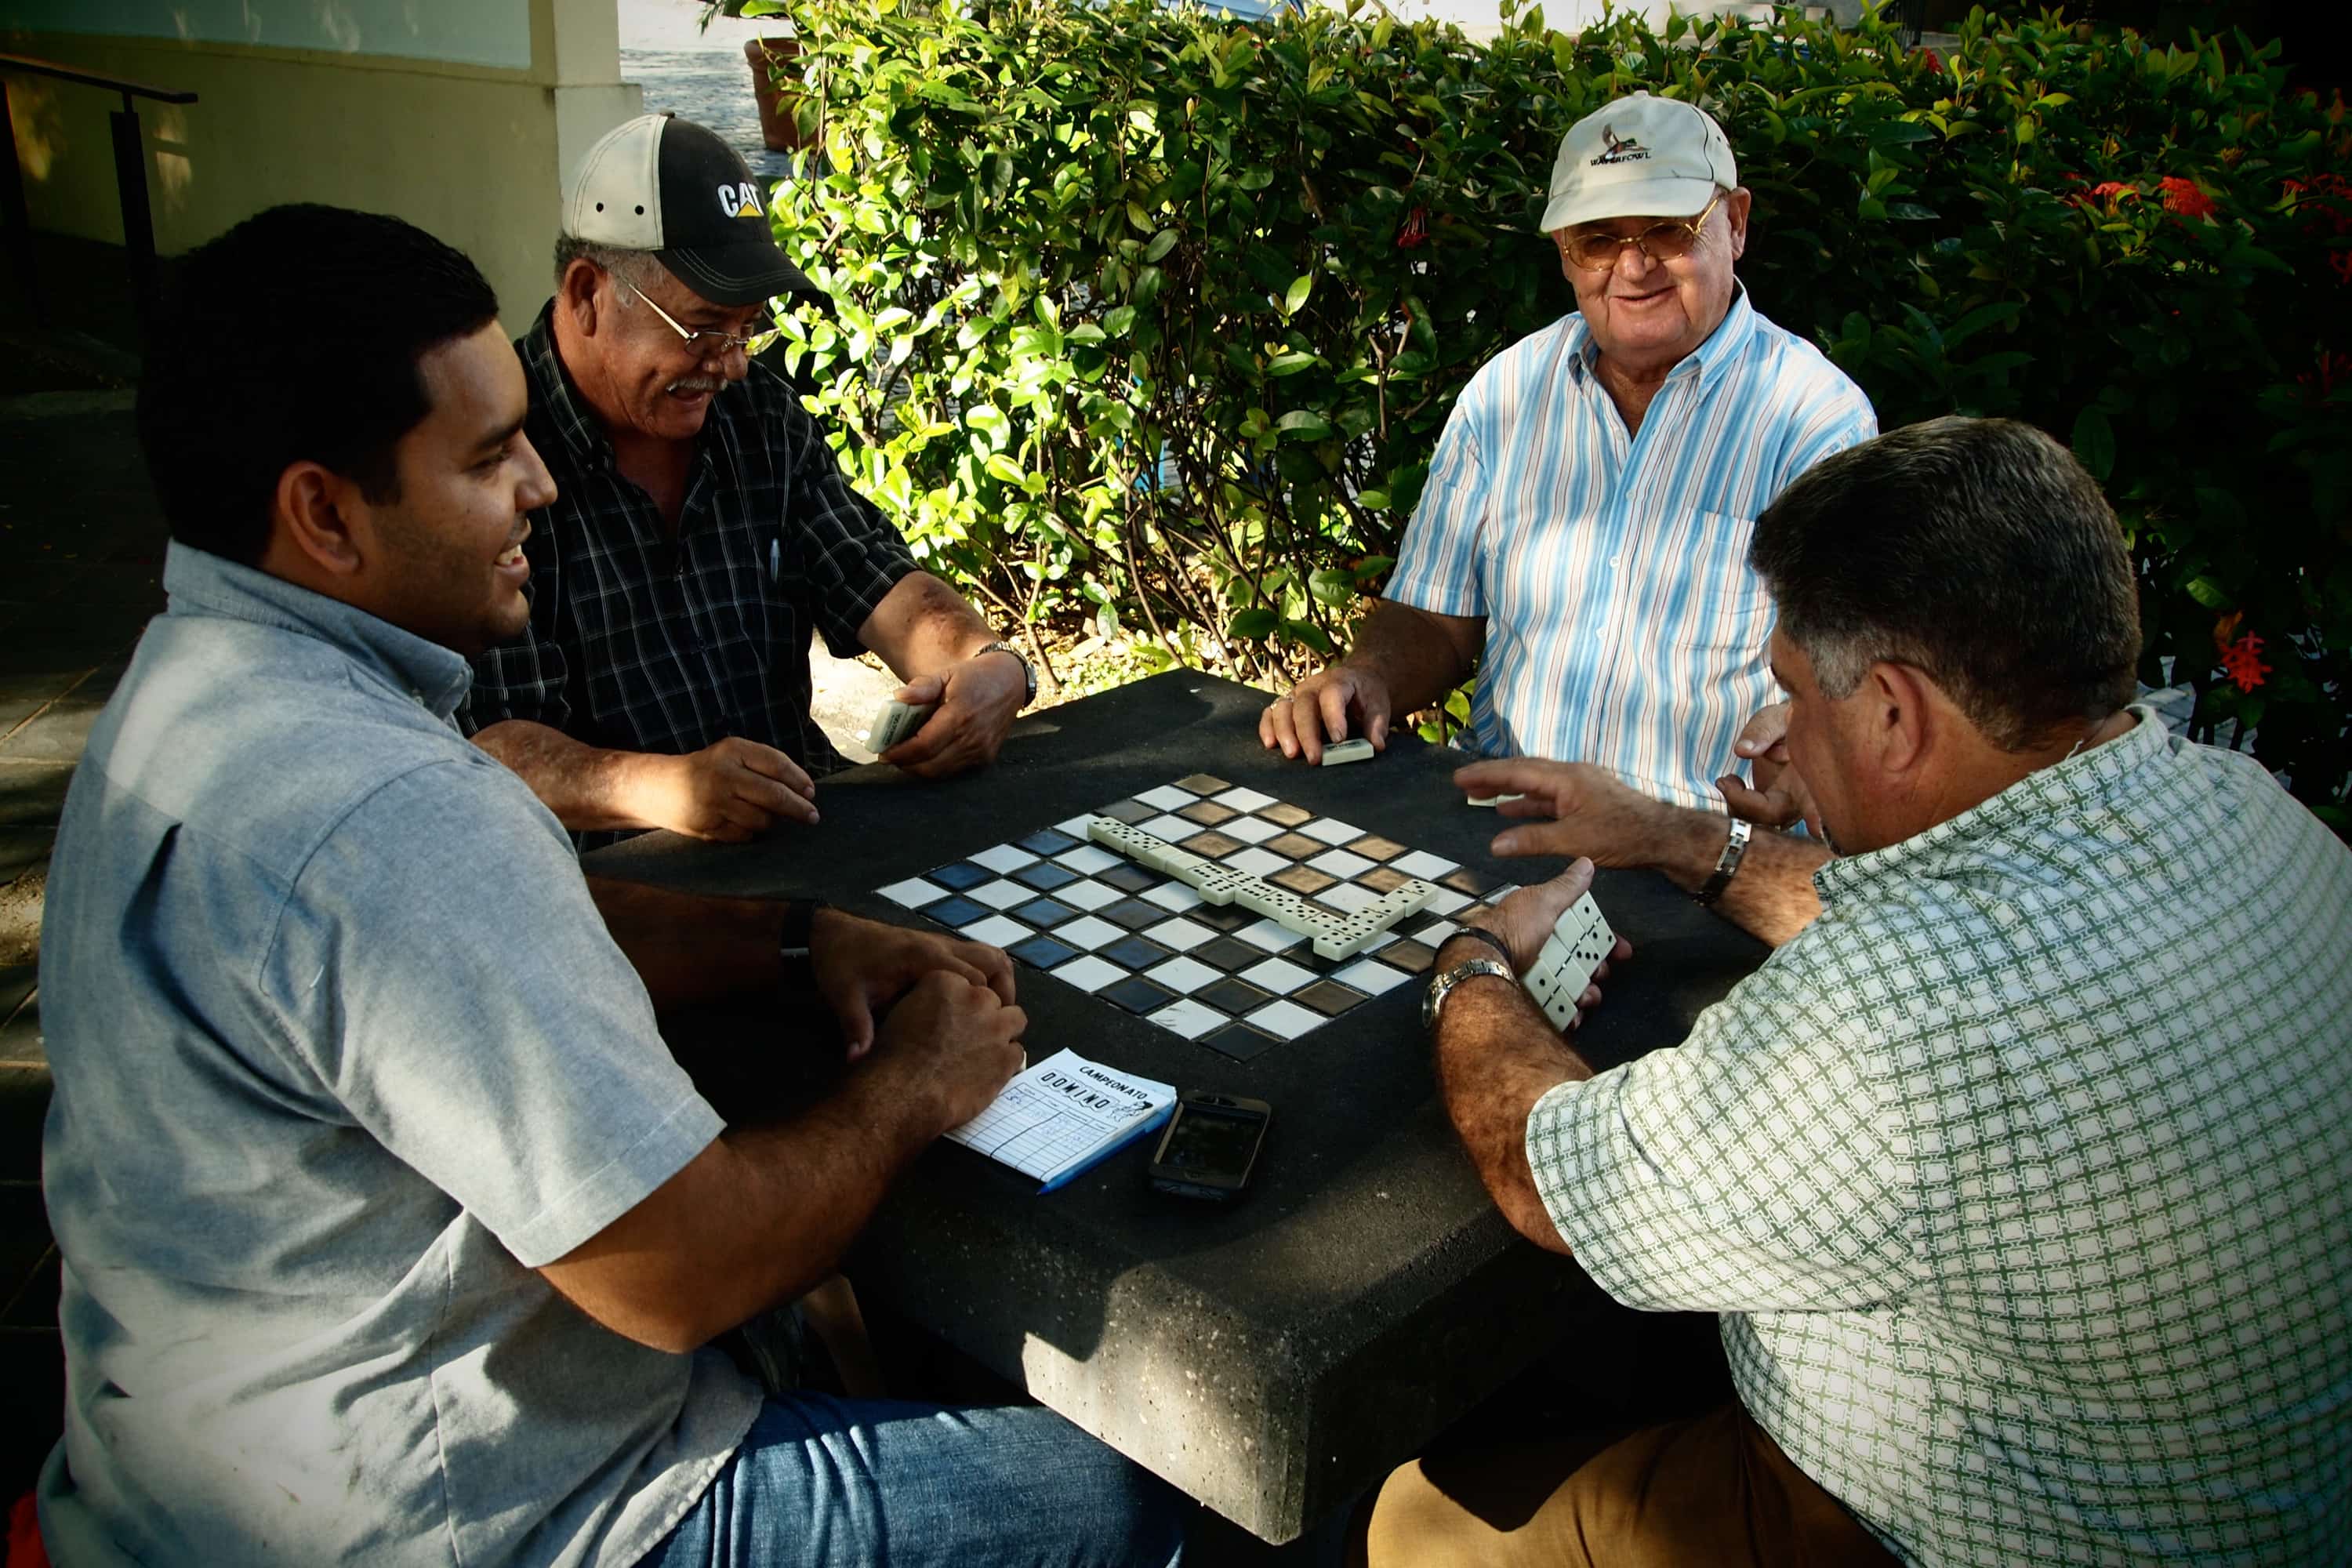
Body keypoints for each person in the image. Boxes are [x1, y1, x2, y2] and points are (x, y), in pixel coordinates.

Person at [34, 204, 1182, 1568]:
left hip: (209, 1459)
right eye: (486, 456)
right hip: (484, 1516)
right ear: (323, 513)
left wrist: (789, 940)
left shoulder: (183, 693)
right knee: (1147, 1503)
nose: (536, 484)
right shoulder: (397, 816)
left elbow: (454, 944)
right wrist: (915, 1086)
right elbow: (676, 1273)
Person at [1377, 416, 2352, 1566]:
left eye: (1795, 689)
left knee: (1408, 1522)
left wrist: (1476, 968)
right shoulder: (2256, 814)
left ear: (1895, 713)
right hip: (2249, 1507)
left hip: (1921, 1535)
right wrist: (1688, 841)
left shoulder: (1897, 1013)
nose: (1781, 724)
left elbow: (1554, 1181)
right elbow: (1980, 928)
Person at [1261, 91, 1876, 814]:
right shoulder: (1508, 393)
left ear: (1734, 224)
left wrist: (1812, 751)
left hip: (1693, 853)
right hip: (1500, 822)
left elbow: (1845, 685)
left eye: (1668, 231)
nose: (1634, 265)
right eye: (1598, 238)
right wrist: (1369, 675)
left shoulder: (1816, 422)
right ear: (1563, 253)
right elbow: (1434, 618)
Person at [460, 113, 1037, 844]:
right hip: (615, 882)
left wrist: (987, 666)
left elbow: (874, 576)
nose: (731, 362)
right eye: (702, 328)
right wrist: (667, 789)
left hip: (800, 829)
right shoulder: (492, 454)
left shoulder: (755, 414)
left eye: (747, 328)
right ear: (586, 295)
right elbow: (490, 742)